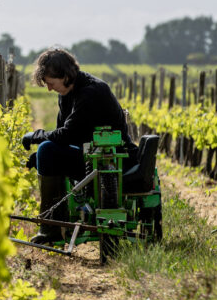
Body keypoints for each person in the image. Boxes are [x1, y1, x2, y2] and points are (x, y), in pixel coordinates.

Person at [21, 48, 138, 245]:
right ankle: (52, 229)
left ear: (65, 76)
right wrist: (41, 156)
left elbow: (68, 133)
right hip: (88, 158)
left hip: (115, 161)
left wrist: (36, 136)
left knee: (46, 149)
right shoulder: (67, 93)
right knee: (47, 152)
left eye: (51, 83)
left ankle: (53, 229)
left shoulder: (92, 92)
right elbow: (61, 137)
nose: (49, 89)